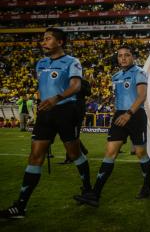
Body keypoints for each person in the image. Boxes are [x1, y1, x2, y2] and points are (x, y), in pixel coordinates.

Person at [0, 28, 92, 219]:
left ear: (60, 42)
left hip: (66, 111)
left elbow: (75, 86)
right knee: (35, 156)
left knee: (75, 153)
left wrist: (56, 99)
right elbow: (42, 87)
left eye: (48, 39)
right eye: (43, 39)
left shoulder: (72, 62)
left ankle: (88, 189)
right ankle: (20, 206)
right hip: (45, 113)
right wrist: (44, 103)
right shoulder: (40, 63)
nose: (43, 42)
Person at [73, 45, 150, 207]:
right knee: (109, 153)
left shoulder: (139, 72)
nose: (123, 58)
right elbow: (118, 97)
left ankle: (147, 185)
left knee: (140, 153)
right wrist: (117, 114)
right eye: (120, 55)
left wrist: (128, 114)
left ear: (133, 57)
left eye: (127, 55)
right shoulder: (115, 76)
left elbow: (142, 95)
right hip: (119, 116)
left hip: (135, 115)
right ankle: (95, 194)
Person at [60, 79, 91, 164]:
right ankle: (82, 150)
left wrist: (79, 84)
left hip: (78, 111)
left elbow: (88, 93)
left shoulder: (84, 82)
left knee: (73, 134)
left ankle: (70, 157)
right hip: (66, 109)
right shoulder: (67, 80)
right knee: (69, 133)